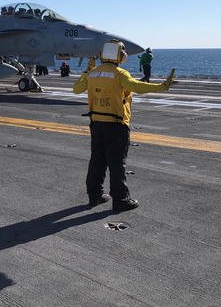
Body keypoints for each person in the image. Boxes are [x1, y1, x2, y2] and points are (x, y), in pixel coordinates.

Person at [73, 41, 175, 212]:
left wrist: (87, 70)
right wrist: (162, 86)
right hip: (116, 125)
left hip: (96, 124)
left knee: (97, 161)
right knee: (117, 163)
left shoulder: (93, 74)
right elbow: (137, 86)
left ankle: (95, 196)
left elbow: (76, 89)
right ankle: (120, 200)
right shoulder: (120, 74)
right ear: (120, 56)